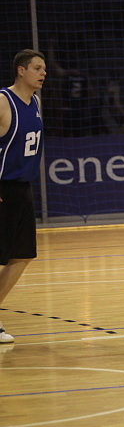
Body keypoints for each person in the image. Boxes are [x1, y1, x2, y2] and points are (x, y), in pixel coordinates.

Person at [0, 50, 47, 344]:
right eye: (37, 68)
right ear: (21, 70)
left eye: (44, 69)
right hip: (2, 189)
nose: (43, 73)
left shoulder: (36, 102)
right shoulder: (3, 100)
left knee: (23, 256)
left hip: (23, 188)